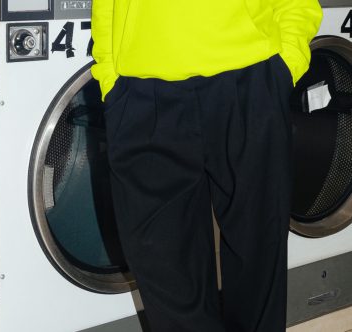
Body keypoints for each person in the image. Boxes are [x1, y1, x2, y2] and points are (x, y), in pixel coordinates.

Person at [91, 1, 322, 331]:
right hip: (140, 84)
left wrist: (286, 64)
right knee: (161, 262)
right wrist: (110, 76)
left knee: (258, 259)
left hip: (251, 75)